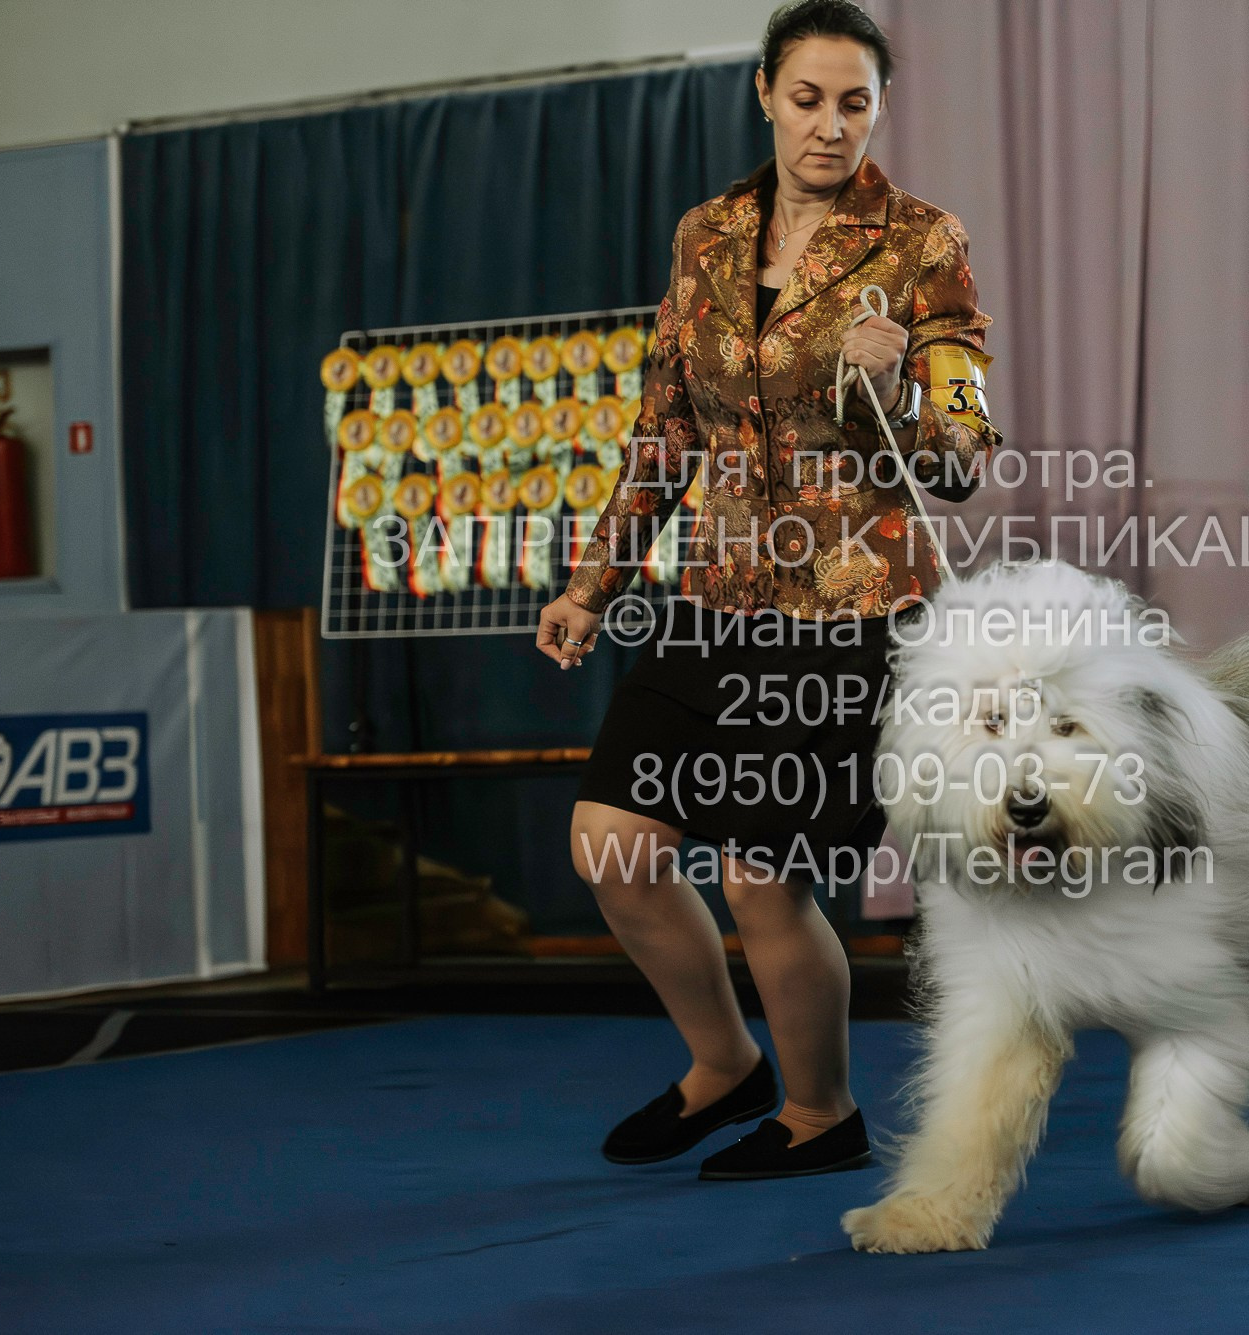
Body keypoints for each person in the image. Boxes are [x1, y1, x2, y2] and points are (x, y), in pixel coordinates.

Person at [535, 0, 1001, 1180]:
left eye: (855, 102)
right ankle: (722, 1066)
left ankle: (819, 1113)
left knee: (759, 874)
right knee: (613, 847)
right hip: (716, 598)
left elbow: (959, 464)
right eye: (808, 98)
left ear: (878, 109)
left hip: (855, 614)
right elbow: (662, 428)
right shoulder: (706, 236)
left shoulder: (919, 243)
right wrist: (595, 583)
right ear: (764, 94)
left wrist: (897, 392)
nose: (830, 125)